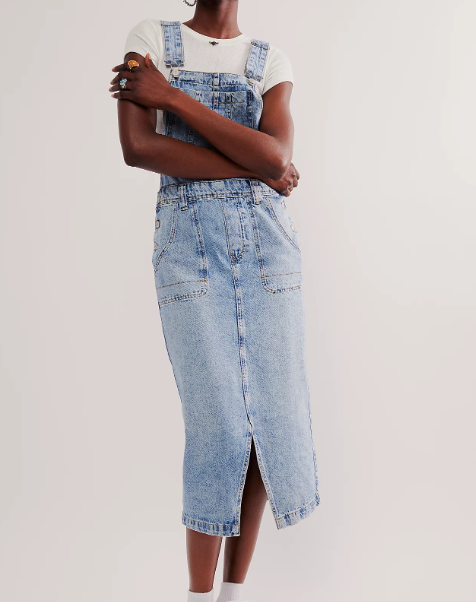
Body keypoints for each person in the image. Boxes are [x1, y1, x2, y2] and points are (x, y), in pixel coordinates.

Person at [110, 2, 319, 600]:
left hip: (268, 253)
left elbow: (277, 155)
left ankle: (232, 594)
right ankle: (198, 597)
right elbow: (139, 148)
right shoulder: (150, 38)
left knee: (267, 431)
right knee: (221, 430)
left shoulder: (270, 61)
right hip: (188, 250)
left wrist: (171, 98)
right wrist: (254, 168)